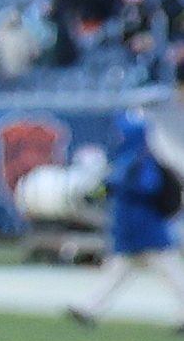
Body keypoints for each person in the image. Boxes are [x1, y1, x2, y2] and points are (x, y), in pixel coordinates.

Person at [67, 110, 184, 327]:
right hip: (131, 225)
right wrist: (100, 191)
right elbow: (109, 186)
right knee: (123, 269)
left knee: (167, 268)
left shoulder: (140, 160)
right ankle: (88, 308)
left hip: (144, 225)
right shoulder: (129, 159)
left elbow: (147, 187)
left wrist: (117, 186)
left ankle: (88, 308)